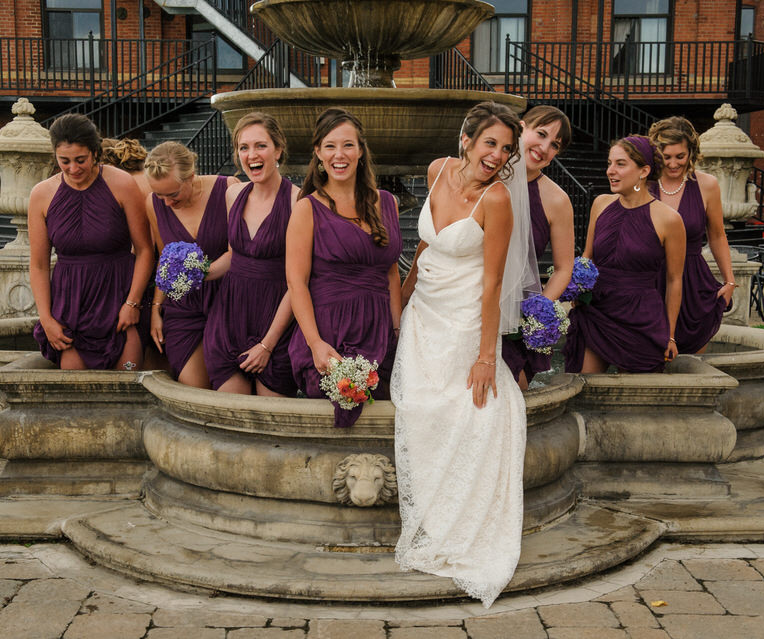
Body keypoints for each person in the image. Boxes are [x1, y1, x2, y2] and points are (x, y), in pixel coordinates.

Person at [392, 102, 533, 608]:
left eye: (506, 149)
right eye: (490, 143)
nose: (497, 156)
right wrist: (404, 296)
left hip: (467, 318)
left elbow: (493, 282)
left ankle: (458, 518)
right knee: (416, 407)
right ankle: (431, 507)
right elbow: (425, 248)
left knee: (464, 411)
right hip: (424, 313)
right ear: (467, 140)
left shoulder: (497, 201)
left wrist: (485, 356)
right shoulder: (436, 172)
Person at [285, 108, 402, 427]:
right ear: (318, 153)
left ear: (361, 151)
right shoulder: (307, 209)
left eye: (348, 145)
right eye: (331, 146)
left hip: (380, 331)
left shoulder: (387, 202)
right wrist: (316, 344)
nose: (340, 154)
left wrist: (398, 331)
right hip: (330, 333)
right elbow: (297, 284)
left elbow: (391, 272)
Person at [29, 113, 154, 370]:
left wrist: (133, 303)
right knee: (74, 393)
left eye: (81, 160)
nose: (73, 169)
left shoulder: (123, 184)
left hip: (120, 300)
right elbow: (39, 264)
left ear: (95, 152)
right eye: (64, 161)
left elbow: (144, 250)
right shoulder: (41, 194)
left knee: (128, 385)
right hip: (71, 307)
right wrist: (47, 319)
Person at [563, 135, 686, 373]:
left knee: (635, 400)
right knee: (585, 388)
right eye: (609, 163)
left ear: (643, 171)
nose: (610, 171)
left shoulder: (669, 219)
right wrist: (575, 288)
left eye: (620, 164)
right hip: (597, 311)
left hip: (640, 318)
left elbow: (674, 280)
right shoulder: (600, 204)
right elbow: (587, 258)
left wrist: (670, 335)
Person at [203, 112, 299, 396]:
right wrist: (197, 272)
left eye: (260, 145)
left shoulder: (299, 200)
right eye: (243, 147)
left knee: (270, 425)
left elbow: (300, 281)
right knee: (230, 421)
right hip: (229, 319)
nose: (251, 154)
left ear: (278, 150)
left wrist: (267, 344)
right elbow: (234, 256)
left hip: (276, 323)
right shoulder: (234, 195)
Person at [501, 105, 575, 389]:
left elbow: (564, 268)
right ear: (521, 128)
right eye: (541, 134)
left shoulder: (557, 200)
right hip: (469, 305)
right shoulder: (488, 177)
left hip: (517, 316)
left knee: (513, 390)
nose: (544, 148)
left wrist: (538, 309)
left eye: (554, 144)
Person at [144, 141, 228, 389]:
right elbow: (164, 260)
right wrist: (156, 310)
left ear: (191, 177)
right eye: (160, 195)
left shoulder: (228, 189)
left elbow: (239, 252)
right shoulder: (153, 203)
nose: (166, 202)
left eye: (173, 194)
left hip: (225, 302)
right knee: (192, 388)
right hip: (182, 307)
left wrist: (200, 272)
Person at [649, 116, 736, 353]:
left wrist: (730, 281)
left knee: (691, 368)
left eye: (680, 156)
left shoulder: (707, 185)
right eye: (667, 157)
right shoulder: (643, 184)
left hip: (693, 284)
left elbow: (717, 235)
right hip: (649, 283)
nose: (674, 164)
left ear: (691, 153)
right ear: (657, 155)